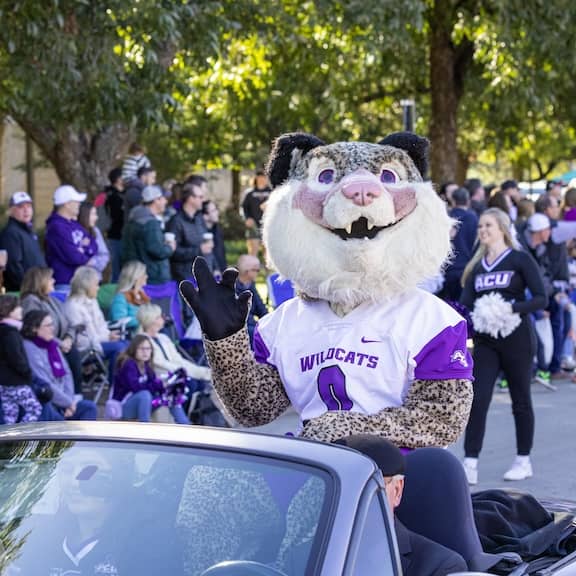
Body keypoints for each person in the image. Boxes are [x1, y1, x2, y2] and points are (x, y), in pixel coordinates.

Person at [460, 208, 547, 484]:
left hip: (517, 338)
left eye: (488, 225)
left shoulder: (520, 259)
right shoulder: (475, 267)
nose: (482, 229)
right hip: (486, 342)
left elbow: (541, 299)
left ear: (502, 228)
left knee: (520, 399)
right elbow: (465, 304)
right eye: (480, 226)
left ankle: (524, 460)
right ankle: (470, 462)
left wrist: (510, 308)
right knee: (479, 398)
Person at [335, 435, 467, 576]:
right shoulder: (314, 546)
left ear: (397, 491)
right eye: (342, 486)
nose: (352, 497)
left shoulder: (437, 566)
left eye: (367, 488)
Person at [22, 310, 97, 421]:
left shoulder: (52, 345)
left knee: (89, 407)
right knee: (58, 420)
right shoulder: (29, 348)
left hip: (65, 401)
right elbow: (44, 382)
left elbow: (67, 373)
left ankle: (81, 439)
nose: (53, 328)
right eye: (48, 325)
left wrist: (69, 402)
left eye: (52, 324)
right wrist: (67, 403)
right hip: (47, 402)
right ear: (34, 328)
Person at [20, 266, 83, 394]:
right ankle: (72, 397)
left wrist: (68, 339)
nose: (54, 281)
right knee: (73, 354)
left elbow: (71, 323)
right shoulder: (30, 301)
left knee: (72, 351)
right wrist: (60, 344)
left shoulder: (53, 299)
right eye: (50, 279)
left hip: (63, 345)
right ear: (40, 281)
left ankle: (74, 397)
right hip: (42, 347)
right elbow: (37, 330)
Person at [64, 266, 126, 383]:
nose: (98, 288)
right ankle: (114, 387)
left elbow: (101, 325)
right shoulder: (73, 306)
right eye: (96, 285)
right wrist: (106, 337)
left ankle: (125, 385)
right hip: (85, 348)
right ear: (87, 286)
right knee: (119, 348)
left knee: (129, 345)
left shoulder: (93, 301)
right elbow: (83, 338)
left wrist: (109, 335)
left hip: (98, 342)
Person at [113, 334, 189, 424]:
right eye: (141, 349)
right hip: (123, 407)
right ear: (134, 349)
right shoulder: (128, 364)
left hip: (143, 404)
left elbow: (154, 384)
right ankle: (145, 427)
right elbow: (136, 388)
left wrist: (168, 386)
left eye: (148, 349)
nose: (145, 352)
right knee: (145, 395)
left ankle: (185, 424)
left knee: (170, 395)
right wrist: (160, 384)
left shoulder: (146, 365)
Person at [137, 303, 211, 381]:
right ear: (151, 320)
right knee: (192, 382)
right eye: (159, 317)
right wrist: (187, 372)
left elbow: (177, 359)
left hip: (175, 372)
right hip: (162, 378)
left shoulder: (163, 337)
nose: (163, 318)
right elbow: (160, 364)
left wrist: (201, 372)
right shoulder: (142, 341)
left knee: (199, 381)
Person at [0, 295, 42, 423]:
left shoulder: (5, 330)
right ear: (10, 311)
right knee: (35, 409)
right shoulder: (10, 333)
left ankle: (7, 439)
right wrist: (27, 373)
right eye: (18, 307)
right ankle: (21, 437)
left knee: (10, 414)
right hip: (16, 382)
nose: (21, 309)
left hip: (4, 382)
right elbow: (17, 358)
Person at [122, 185, 175, 284]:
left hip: (136, 275)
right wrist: (170, 247)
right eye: (163, 199)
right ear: (156, 200)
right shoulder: (150, 223)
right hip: (152, 277)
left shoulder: (134, 219)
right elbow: (156, 250)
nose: (166, 202)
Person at [45, 185, 96, 288]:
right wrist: (85, 257)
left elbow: (93, 244)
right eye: (76, 201)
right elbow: (72, 256)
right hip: (66, 282)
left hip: (79, 281)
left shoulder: (74, 223)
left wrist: (82, 249)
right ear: (67, 204)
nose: (79, 204)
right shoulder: (56, 227)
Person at [0, 191, 46, 292]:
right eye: (20, 207)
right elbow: (13, 266)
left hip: (37, 289)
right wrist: (29, 288)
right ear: (11, 210)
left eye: (29, 206)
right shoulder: (11, 233)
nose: (26, 210)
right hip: (23, 292)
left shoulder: (27, 231)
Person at [166, 180, 209, 283]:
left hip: (201, 273)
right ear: (190, 198)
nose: (203, 200)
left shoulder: (199, 219)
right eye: (200, 197)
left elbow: (207, 247)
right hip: (184, 277)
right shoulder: (176, 221)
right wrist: (199, 250)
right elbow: (173, 252)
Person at [441, 187, 478, 302]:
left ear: (453, 200)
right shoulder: (473, 218)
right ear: (468, 200)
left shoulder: (446, 217)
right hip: (467, 268)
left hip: (447, 268)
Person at [236, 255, 268, 345]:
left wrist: (270, 321)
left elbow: (261, 308)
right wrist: (258, 326)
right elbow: (242, 316)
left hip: (250, 326)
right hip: (238, 329)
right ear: (246, 271)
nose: (258, 272)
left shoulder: (250, 285)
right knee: (258, 334)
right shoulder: (233, 288)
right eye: (256, 270)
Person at [110, 260, 150, 330]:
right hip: (129, 337)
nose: (147, 276)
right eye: (144, 274)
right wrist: (146, 320)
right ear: (135, 278)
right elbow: (119, 321)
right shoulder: (120, 298)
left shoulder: (142, 296)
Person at [78, 201, 110, 281]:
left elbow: (104, 255)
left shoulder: (95, 231)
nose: (96, 217)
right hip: (77, 280)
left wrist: (93, 262)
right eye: (93, 214)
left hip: (95, 279)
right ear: (84, 215)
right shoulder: (75, 232)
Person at [242, 170, 271, 257]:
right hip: (254, 225)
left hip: (268, 225)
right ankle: (251, 268)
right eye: (260, 177)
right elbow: (243, 208)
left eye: (264, 177)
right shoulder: (249, 193)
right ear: (256, 178)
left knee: (268, 252)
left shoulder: (272, 192)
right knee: (253, 250)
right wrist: (247, 218)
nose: (262, 179)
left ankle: (268, 270)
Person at [105, 167, 126, 282]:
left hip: (122, 235)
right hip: (115, 236)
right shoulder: (110, 195)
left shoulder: (125, 193)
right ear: (118, 179)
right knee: (116, 269)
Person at [202, 200, 227, 273]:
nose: (217, 213)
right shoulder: (199, 233)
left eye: (216, 210)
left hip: (220, 273)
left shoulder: (217, 229)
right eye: (213, 211)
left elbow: (221, 253)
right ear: (205, 216)